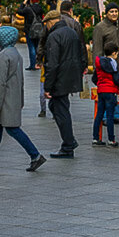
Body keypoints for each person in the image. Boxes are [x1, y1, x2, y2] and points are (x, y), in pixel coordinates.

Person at [0, 26, 45, 172]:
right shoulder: (16, 54)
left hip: (4, 100)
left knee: (12, 129)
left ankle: (35, 155)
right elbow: (20, 80)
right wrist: (21, 100)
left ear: (5, 39)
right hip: (12, 97)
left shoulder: (3, 56)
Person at [43, 9, 85, 158]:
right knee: (57, 107)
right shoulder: (71, 32)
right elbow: (81, 53)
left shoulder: (54, 36)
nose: (46, 27)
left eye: (46, 24)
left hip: (60, 78)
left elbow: (52, 63)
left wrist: (47, 86)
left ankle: (68, 144)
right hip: (71, 76)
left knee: (61, 111)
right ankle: (69, 141)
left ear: (51, 22)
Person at [92, 43, 119, 147]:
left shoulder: (99, 63)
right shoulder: (113, 63)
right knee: (110, 116)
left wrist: (101, 85)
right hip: (110, 91)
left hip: (101, 91)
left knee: (99, 115)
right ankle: (111, 140)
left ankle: (96, 138)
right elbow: (116, 79)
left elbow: (94, 78)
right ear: (114, 53)